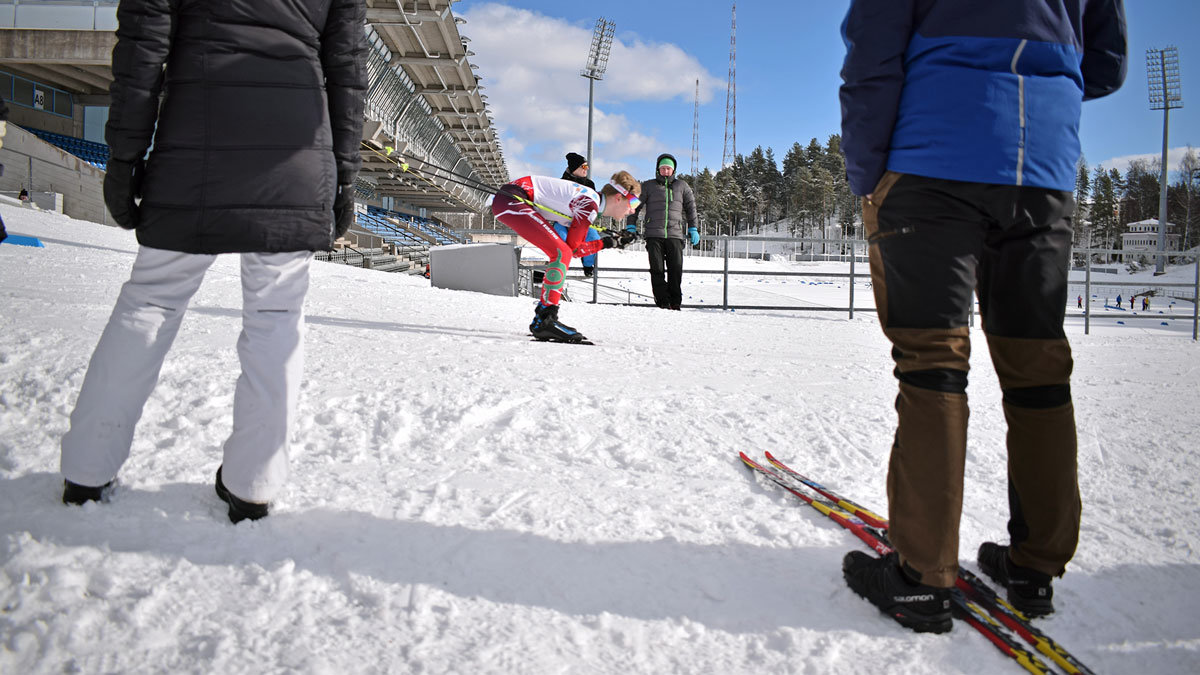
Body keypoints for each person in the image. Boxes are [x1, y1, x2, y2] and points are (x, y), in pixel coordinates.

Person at [838, 0, 1126, 633]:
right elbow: (1106, 63)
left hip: (933, 158)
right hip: (1042, 168)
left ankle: (922, 576)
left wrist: (869, 174)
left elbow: (873, 55)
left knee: (931, 363)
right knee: (1038, 367)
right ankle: (1035, 564)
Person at [59, 0, 367, 523]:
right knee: (276, 318)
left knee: (150, 301)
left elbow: (142, 52)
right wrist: (344, 174)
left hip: (192, 146)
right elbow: (347, 71)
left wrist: (125, 158)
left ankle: (88, 470)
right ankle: (253, 485)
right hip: (295, 153)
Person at [491, 172, 640, 342]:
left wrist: (610, 242)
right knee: (560, 252)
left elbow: (573, 250)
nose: (633, 209)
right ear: (618, 198)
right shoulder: (589, 204)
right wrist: (608, 243)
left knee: (561, 252)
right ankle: (545, 320)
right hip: (513, 199)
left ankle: (544, 318)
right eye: (633, 202)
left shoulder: (590, 203)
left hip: (510, 199)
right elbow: (572, 250)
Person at [625, 154, 698, 310]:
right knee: (656, 269)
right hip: (654, 235)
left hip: (675, 235)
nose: (665, 171)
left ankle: (675, 302)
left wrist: (693, 227)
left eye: (668, 168)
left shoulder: (682, 186)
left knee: (675, 269)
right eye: (663, 168)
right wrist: (631, 225)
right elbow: (634, 205)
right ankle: (662, 301)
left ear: (673, 170)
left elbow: (691, 208)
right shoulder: (647, 186)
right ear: (658, 169)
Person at [559, 152, 602, 277]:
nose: (586, 169)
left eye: (587, 166)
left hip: (582, 222)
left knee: (594, 238)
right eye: (583, 167)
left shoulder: (589, 184)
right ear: (574, 168)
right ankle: (560, 264)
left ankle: (588, 264)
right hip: (563, 220)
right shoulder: (562, 183)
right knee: (560, 238)